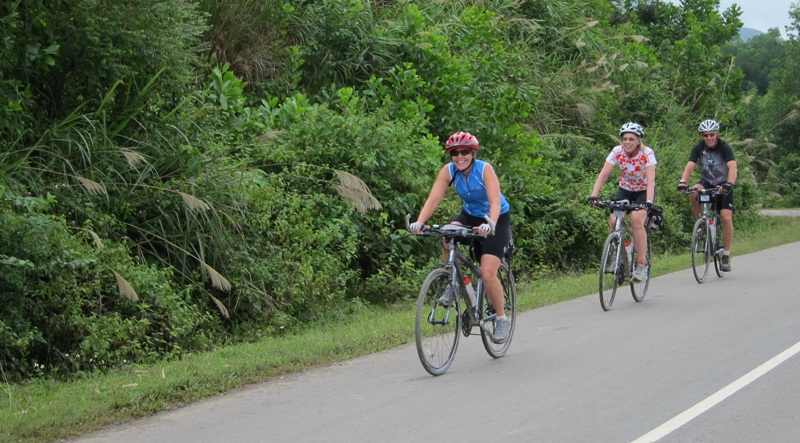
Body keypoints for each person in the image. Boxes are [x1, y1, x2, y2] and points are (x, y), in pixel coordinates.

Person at [408, 131, 513, 343]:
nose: (459, 156)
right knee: (446, 234)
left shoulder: (484, 169)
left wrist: (490, 224)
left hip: (496, 218)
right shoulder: (449, 171)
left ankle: (501, 319)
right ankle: (453, 278)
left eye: (464, 151)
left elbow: (494, 202)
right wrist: (419, 221)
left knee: (487, 272)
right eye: (454, 153)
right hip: (470, 216)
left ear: (473, 153)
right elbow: (434, 198)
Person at [588, 122, 657, 282]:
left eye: (631, 139)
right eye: (624, 138)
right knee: (613, 221)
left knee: (636, 221)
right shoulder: (617, 151)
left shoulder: (647, 153)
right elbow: (604, 174)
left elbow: (651, 179)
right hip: (625, 190)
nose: (627, 142)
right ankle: (620, 260)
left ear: (638, 140)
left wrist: (648, 201)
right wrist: (594, 195)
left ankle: (641, 265)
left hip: (643, 191)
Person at [676, 119, 737, 272]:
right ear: (702, 136)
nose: (709, 138)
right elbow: (690, 165)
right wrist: (683, 182)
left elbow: (732, 166)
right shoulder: (699, 148)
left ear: (716, 134)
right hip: (707, 181)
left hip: (723, 183)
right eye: (705, 135)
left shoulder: (724, 147)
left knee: (725, 217)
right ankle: (701, 224)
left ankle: (726, 255)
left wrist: (729, 183)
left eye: (712, 135)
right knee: (694, 192)